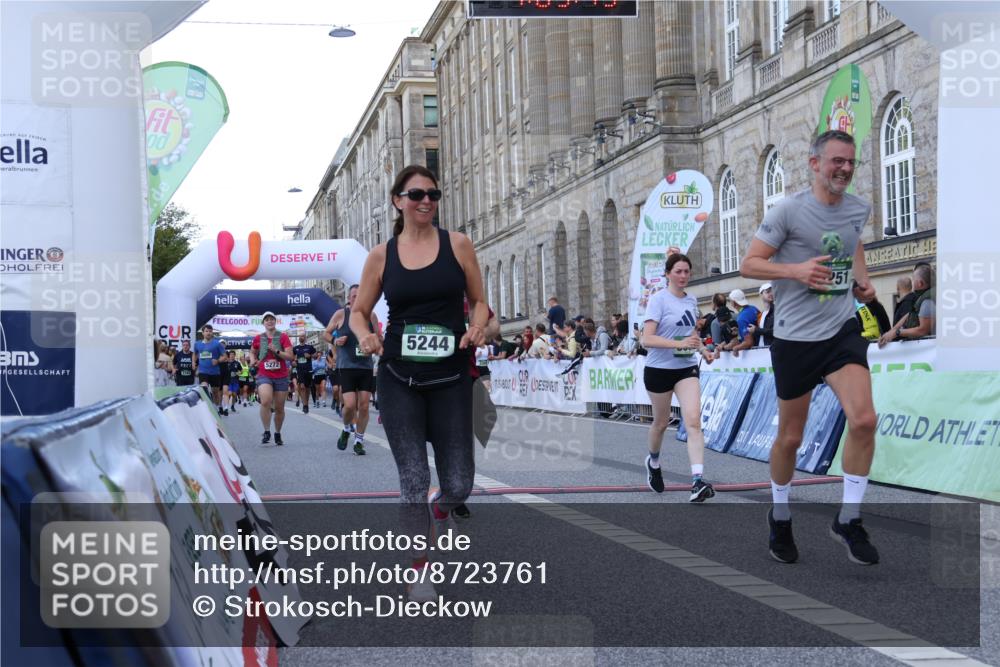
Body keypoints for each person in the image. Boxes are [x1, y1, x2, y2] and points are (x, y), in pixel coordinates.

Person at [741, 129, 880, 566]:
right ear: (815, 163)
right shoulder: (788, 211)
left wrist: (862, 282)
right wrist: (797, 270)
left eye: (850, 163)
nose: (844, 169)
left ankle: (850, 519)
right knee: (791, 438)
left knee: (864, 419)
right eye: (836, 161)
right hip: (796, 338)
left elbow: (855, 239)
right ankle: (780, 516)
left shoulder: (858, 207)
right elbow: (750, 264)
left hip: (841, 330)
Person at [349, 164, 487, 603]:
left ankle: (440, 509)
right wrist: (365, 332)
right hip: (398, 376)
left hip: (450, 377)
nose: (426, 200)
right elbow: (358, 310)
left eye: (432, 193)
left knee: (460, 483)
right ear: (398, 201)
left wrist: (477, 325)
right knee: (412, 476)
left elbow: (480, 302)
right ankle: (419, 571)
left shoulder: (459, 245)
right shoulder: (381, 255)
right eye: (416, 194)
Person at [640, 253, 717, 503]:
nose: (683, 276)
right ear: (668, 274)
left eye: (687, 272)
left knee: (693, 421)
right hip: (658, 369)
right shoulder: (658, 300)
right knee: (661, 423)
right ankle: (653, 461)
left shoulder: (691, 299)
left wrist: (703, 350)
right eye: (679, 271)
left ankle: (697, 481)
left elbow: (691, 332)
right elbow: (646, 339)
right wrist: (678, 342)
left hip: (685, 367)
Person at [325, 284, 380, 456]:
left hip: (365, 367)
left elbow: (378, 337)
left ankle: (359, 440)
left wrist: (375, 343)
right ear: (349, 298)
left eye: (360, 295)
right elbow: (326, 333)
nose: (357, 298)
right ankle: (347, 428)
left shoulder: (371, 316)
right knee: (349, 406)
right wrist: (335, 341)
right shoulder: (341, 314)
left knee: (363, 406)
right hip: (346, 366)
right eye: (354, 295)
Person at [250, 312, 294, 445]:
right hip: (265, 374)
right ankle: (267, 431)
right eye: (267, 320)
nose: (269, 322)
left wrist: (277, 350)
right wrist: (253, 360)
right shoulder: (259, 338)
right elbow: (252, 351)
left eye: (272, 319)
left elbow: (290, 356)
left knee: (280, 408)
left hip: (281, 375)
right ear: (263, 323)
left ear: (275, 322)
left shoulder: (283, 337)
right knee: (266, 401)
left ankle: (277, 433)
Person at [879, 262, 935, 346]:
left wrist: (897, 333)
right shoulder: (922, 297)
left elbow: (923, 330)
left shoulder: (927, 302)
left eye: (913, 279)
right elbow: (910, 314)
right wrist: (891, 332)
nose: (912, 282)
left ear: (920, 283)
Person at [194, 325, 226, 414]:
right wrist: (194, 364)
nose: (208, 333)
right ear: (203, 333)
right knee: (204, 388)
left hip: (215, 372)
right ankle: (207, 409)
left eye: (210, 331)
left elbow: (225, 356)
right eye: (207, 331)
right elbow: (195, 354)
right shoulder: (197, 344)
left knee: (215, 392)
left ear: (212, 333)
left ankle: (216, 408)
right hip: (203, 371)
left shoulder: (217, 344)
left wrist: (218, 360)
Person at [292, 333, 316, 413]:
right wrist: (293, 362)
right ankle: (305, 405)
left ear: (305, 338)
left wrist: (310, 356)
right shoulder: (295, 348)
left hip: (308, 369)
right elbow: (291, 357)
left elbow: (315, 355)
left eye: (302, 336)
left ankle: (306, 403)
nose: (301, 337)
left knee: (307, 388)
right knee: (301, 387)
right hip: (300, 370)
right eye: (300, 336)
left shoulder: (309, 347)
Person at [326, 347, 341, 416]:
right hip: (332, 372)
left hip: (340, 372)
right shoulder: (329, 352)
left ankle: (337, 406)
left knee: (340, 391)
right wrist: (331, 364)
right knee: (335, 389)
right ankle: (334, 400)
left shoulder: (342, 350)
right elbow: (328, 364)